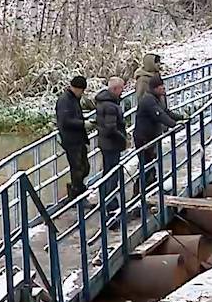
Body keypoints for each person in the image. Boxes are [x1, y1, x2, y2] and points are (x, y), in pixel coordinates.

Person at [132, 76, 183, 206]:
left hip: (149, 137)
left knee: (149, 165)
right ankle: (138, 196)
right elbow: (159, 115)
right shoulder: (148, 100)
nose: (164, 89)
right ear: (155, 88)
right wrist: (173, 125)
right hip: (144, 138)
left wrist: (180, 118)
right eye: (161, 87)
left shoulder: (155, 99)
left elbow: (165, 111)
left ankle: (148, 192)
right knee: (145, 165)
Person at [56, 75, 95, 203]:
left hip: (77, 139)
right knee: (78, 168)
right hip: (71, 140)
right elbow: (66, 121)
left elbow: (74, 116)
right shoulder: (65, 101)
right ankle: (77, 196)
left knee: (84, 167)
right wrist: (83, 124)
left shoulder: (72, 99)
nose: (82, 94)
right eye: (82, 91)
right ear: (77, 89)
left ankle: (76, 191)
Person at [95, 77, 127, 210]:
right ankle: (111, 206)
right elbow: (111, 128)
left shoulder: (104, 103)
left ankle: (104, 201)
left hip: (105, 143)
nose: (123, 91)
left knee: (107, 172)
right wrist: (123, 139)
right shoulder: (110, 106)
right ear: (114, 89)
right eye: (121, 88)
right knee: (112, 175)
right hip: (112, 144)